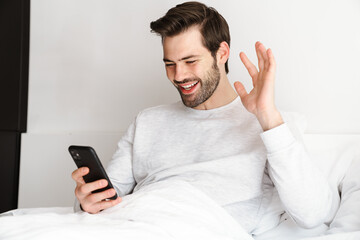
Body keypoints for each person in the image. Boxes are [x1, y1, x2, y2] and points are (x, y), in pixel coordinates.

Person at [71, 1, 332, 235]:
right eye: (169, 63)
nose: (178, 75)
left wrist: (268, 116)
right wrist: (86, 202)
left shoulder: (270, 126)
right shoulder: (147, 122)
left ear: (222, 53)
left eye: (190, 60)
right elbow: (99, 204)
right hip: (137, 225)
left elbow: (313, 214)